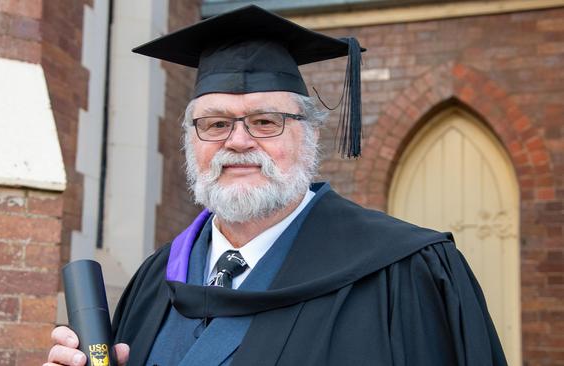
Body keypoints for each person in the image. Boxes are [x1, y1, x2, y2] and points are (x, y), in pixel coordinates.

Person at [45, 5, 507, 366]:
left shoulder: (405, 272)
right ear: (191, 140)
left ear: (308, 134)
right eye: (216, 122)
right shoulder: (157, 279)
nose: (239, 142)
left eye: (266, 121)